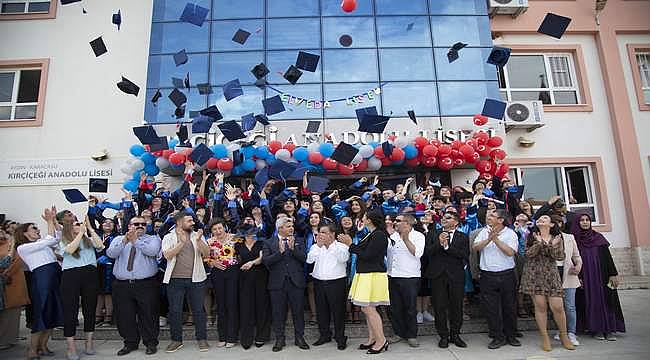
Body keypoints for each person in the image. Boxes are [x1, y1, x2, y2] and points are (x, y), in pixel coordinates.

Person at [107, 216, 162, 356]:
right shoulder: (118, 239)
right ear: (129, 225)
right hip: (122, 284)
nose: (140, 226)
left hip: (145, 284)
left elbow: (152, 251)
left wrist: (135, 241)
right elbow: (111, 254)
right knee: (125, 315)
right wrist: (126, 240)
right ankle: (130, 343)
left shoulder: (152, 239)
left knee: (149, 314)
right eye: (136, 224)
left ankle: (150, 343)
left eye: (143, 224)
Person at [519, 215, 575, 351]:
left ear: (551, 224)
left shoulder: (557, 238)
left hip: (551, 274)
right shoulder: (530, 236)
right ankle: (544, 337)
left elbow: (559, 256)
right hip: (534, 274)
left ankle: (564, 335)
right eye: (539, 219)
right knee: (540, 306)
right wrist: (539, 243)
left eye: (545, 218)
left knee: (558, 306)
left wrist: (550, 245)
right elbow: (527, 254)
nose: (541, 220)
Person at [338, 209, 390, 354]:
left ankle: (381, 340)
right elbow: (361, 249)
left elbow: (368, 255)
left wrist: (350, 244)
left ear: (370, 220)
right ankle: (372, 338)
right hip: (366, 274)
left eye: (365, 217)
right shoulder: (370, 233)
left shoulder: (379, 235)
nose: (362, 219)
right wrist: (351, 243)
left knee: (368, 308)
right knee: (366, 308)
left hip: (373, 275)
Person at [16, 208, 63, 359]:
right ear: (24, 233)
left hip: (54, 277)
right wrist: (49, 221)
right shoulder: (23, 247)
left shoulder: (42, 242)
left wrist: (54, 221)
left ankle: (43, 346)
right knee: (41, 314)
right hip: (42, 281)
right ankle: (32, 350)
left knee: (53, 314)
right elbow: (50, 239)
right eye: (34, 228)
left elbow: (57, 237)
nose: (37, 230)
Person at [162, 212, 211, 353]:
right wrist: (182, 242)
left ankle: (202, 339)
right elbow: (167, 255)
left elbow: (207, 254)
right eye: (189, 221)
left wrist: (200, 240)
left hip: (196, 279)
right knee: (175, 311)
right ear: (179, 222)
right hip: (174, 280)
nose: (193, 223)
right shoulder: (168, 237)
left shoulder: (197, 235)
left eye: (192, 220)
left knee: (198, 310)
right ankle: (176, 340)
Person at [571, 214, 625, 340]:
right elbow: (573, 259)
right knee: (590, 301)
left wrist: (613, 274)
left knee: (606, 300)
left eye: (587, 220)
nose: (585, 223)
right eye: (582, 220)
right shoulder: (575, 239)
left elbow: (608, 257)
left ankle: (609, 329)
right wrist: (577, 277)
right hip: (586, 277)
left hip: (602, 275)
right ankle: (596, 329)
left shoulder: (598, 237)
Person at [472, 209, 520, 349]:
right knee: (491, 308)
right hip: (487, 275)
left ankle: (511, 335)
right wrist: (488, 239)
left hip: (507, 274)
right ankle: (497, 336)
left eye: (493, 216)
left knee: (509, 306)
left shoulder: (510, 233)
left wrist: (496, 239)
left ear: (501, 220)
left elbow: (510, 252)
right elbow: (475, 247)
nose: (489, 217)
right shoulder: (484, 231)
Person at [58, 215, 105, 360]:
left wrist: (90, 229)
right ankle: (71, 348)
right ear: (69, 228)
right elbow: (70, 250)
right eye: (75, 224)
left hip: (90, 274)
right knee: (70, 311)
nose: (79, 225)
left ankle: (89, 344)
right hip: (71, 275)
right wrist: (79, 234)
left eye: (79, 223)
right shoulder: (62, 241)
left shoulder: (88, 240)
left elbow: (100, 245)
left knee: (90, 309)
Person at [262, 217, 309, 352]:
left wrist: (293, 249)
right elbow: (266, 261)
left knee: (298, 311)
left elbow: (305, 258)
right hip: (277, 283)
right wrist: (280, 252)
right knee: (278, 312)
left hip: (296, 282)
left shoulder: (299, 240)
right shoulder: (268, 242)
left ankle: (299, 338)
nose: (291, 228)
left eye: (292, 226)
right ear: (280, 228)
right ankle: (279, 339)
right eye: (288, 226)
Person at [425, 212, 469, 348]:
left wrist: (447, 247)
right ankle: (443, 335)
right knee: (439, 306)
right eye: (444, 217)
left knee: (456, 306)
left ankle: (455, 334)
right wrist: (439, 243)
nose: (444, 219)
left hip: (456, 276)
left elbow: (464, 254)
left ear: (456, 222)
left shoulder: (462, 236)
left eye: (449, 217)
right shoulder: (433, 233)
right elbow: (428, 252)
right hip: (438, 275)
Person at [306, 223, 350, 350]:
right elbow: (309, 260)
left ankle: (340, 337)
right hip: (319, 282)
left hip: (336, 282)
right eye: (320, 232)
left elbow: (343, 259)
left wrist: (330, 246)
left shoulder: (341, 246)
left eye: (324, 232)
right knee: (321, 311)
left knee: (338, 311)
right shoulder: (316, 246)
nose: (320, 234)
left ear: (332, 234)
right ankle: (324, 335)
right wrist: (319, 246)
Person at [386, 214, 425, 348]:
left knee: (410, 308)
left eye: (398, 221)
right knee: (394, 307)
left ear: (407, 223)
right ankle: (398, 333)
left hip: (410, 277)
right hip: (392, 275)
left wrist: (406, 239)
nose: (395, 223)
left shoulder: (418, 236)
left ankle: (412, 335)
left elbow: (417, 253)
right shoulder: (393, 236)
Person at [234, 224, 271, 349]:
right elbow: (236, 260)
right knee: (245, 307)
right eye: (247, 233)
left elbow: (261, 258)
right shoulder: (238, 245)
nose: (250, 236)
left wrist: (251, 263)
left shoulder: (262, 243)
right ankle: (246, 338)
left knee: (261, 306)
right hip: (244, 279)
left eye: (252, 233)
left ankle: (261, 337)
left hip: (261, 278)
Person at [205, 218, 239, 348]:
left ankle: (232, 337)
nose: (218, 231)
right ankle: (222, 336)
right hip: (217, 273)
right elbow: (204, 256)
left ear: (224, 227)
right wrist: (211, 262)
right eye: (214, 229)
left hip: (233, 272)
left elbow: (243, 252)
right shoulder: (209, 241)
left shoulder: (235, 238)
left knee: (232, 303)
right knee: (221, 304)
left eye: (220, 228)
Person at [551, 215, 582, 346]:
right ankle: (561, 330)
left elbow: (576, 256)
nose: (558, 224)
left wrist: (578, 266)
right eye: (555, 222)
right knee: (556, 306)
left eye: (560, 222)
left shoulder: (569, 237)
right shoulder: (546, 238)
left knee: (569, 306)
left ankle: (571, 333)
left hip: (568, 274)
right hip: (551, 274)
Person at [0, 231, 29, 351]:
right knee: (6, 314)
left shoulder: (10, 244)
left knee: (13, 313)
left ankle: (10, 338)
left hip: (15, 282)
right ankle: (3, 340)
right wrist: (6, 275)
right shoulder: (8, 246)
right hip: (6, 282)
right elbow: (5, 263)